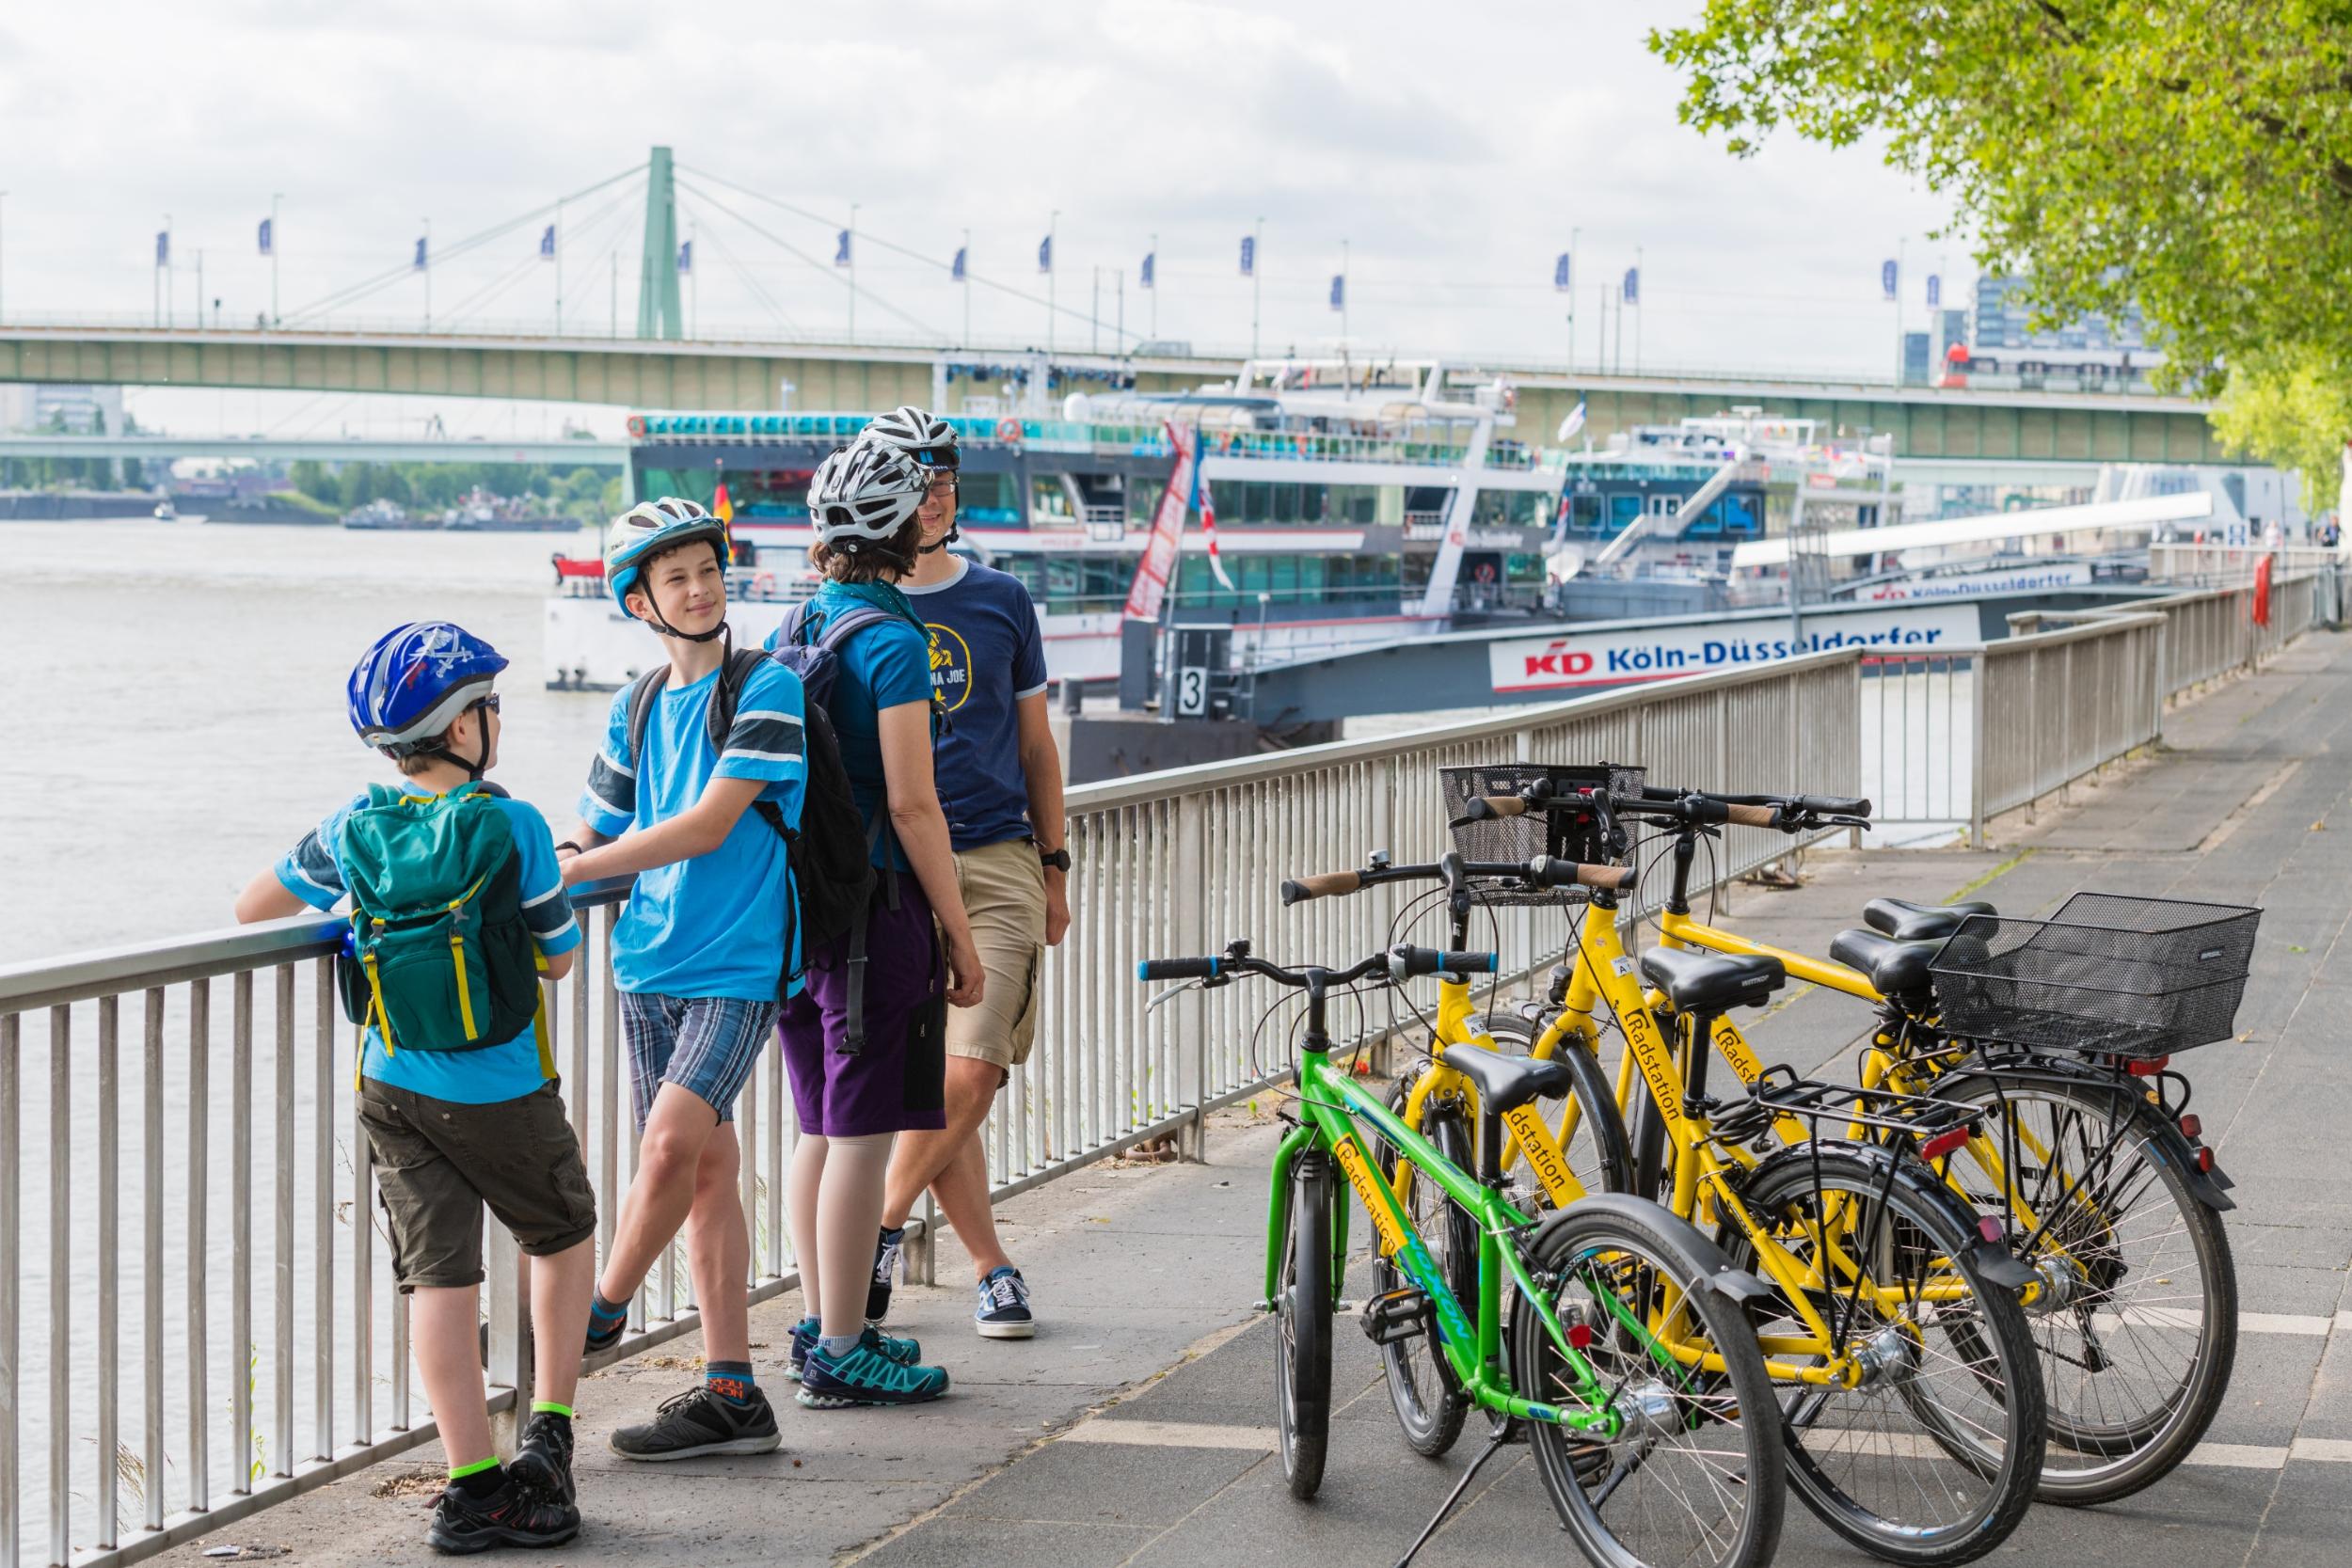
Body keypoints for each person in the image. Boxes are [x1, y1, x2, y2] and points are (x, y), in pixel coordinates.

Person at [233, 623, 594, 1554]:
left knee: (439, 1276)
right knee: (561, 1234)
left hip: (390, 1081)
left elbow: (251, 908)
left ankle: (472, 1487)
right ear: (464, 726)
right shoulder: (510, 825)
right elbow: (558, 958)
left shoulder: (349, 827)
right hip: (503, 1083)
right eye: (488, 706)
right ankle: (548, 1425)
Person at [556, 498, 808, 1460]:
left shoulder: (767, 687)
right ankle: (733, 1391)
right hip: (644, 960)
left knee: (665, 1149)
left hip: (739, 965)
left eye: (708, 568)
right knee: (705, 1172)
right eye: (675, 577)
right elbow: (594, 819)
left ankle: (599, 1311)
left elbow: (708, 823)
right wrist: (569, 850)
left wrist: (583, 865)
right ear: (641, 599)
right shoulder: (636, 703)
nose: (699, 588)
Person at [770, 439, 982, 1407]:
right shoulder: (895, 643)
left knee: (819, 1123)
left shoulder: (799, 626)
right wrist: (960, 929)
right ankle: (845, 1342)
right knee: (859, 1135)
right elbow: (912, 805)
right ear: (901, 530)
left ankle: (824, 1324)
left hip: (801, 916)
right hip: (877, 910)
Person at [859, 407, 1071, 1339]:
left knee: (973, 1066)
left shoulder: (1001, 599)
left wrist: (1055, 867)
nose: (935, 488)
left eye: (945, 473)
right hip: (891, 871)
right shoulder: (853, 606)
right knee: (934, 1081)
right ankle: (992, 1266)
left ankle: (871, 1232)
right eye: (915, 474)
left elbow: (1036, 747)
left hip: (994, 856)